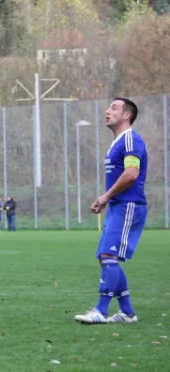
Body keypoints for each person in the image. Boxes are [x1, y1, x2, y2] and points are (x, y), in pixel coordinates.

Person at [74, 97, 147, 325]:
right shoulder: (117, 142)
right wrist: (106, 200)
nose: (107, 111)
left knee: (109, 256)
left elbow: (131, 173)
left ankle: (101, 310)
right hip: (118, 205)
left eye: (114, 108)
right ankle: (127, 312)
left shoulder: (130, 140)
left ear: (127, 115)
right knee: (106, 258)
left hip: (128, 205)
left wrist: (106, 196)